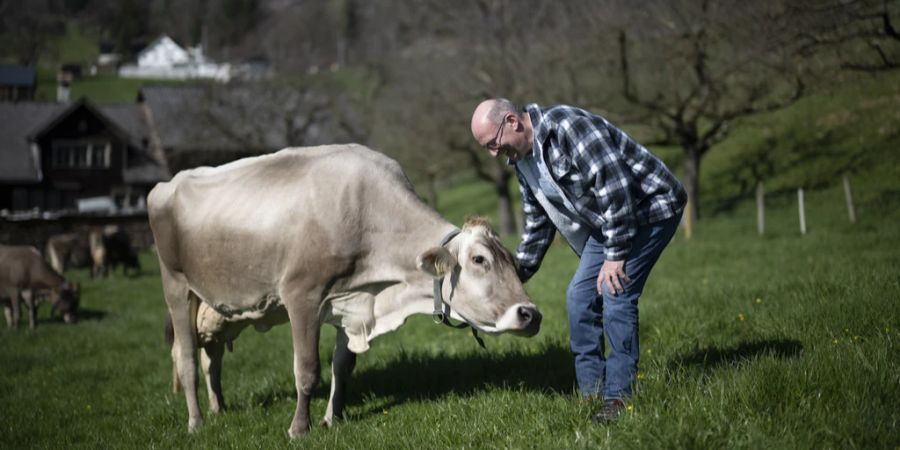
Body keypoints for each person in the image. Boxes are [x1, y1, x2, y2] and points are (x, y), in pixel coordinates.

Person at [470, 98, 687, 424]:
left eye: (493, 143)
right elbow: (538, 221)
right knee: (579, 297)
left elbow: (615, 187)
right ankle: (592, 393)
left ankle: (618, 399)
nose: (493, 153)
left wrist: (615, 256)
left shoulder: (568, 128)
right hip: (610, 222)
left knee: (617, 293)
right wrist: (514, 277)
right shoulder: (523, 162)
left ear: (512, 122)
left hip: (651, 210)